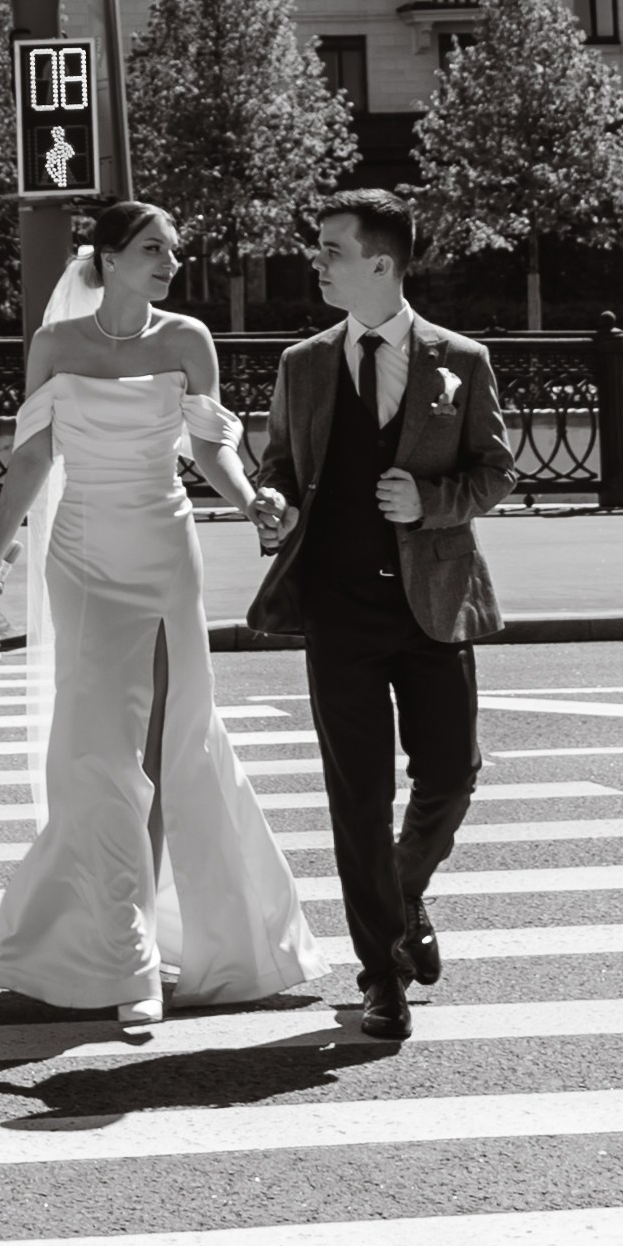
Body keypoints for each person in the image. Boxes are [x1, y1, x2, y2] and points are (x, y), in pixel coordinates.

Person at [0, 198, 326, 1026]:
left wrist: (249, 498)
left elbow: (209, 444)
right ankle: (123, 957)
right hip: (82, 558)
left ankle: (151, 952)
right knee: (98, 753)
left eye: (174, 249)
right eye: (154, 249)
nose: (170, 262)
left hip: (165, 550)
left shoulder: (188, 340)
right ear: (110, 257)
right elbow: (32, 459)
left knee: (167, 746)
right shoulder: (56, 346)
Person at [245, 187, 514, 1045]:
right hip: (337, 608)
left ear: (381, 264)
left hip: (433, 602)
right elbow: (287, 465)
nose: (316, 260)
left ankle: (403, 891)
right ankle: (381, 974)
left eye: (330, 248)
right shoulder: (304, 364)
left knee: (451, 772)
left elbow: (496, 473)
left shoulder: (459, 359)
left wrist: (429, 501)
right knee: (355, 798)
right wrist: (273, 503)